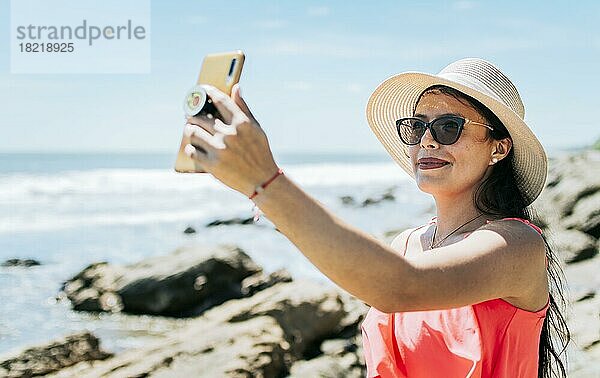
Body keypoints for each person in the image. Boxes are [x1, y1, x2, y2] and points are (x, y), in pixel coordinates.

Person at [182, 57, 570, 378]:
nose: (427, 141)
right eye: (416, 127)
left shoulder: (518, 245)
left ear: (499, 148)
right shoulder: (407, 243)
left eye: (449, 127)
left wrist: (264, 179)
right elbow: (360, 266)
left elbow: (400, 287)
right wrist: (254, 183)